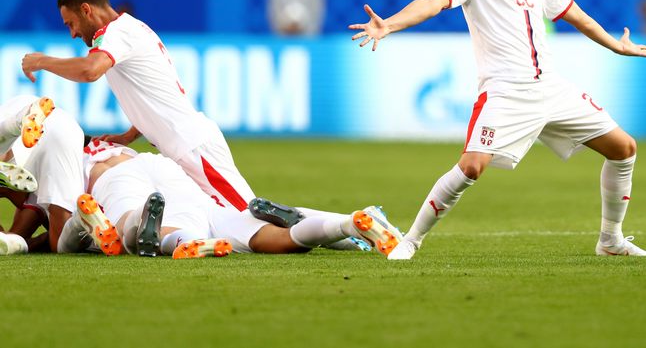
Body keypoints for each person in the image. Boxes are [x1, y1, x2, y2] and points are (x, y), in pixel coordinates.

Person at [350, 0, 646, 260]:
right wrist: (390, 26)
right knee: (471, 168)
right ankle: (411, 240)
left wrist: (615, 45)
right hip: (506, 93)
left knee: (624, 148)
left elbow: (576, 15)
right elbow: (433, 2)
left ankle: (610, 240)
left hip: (551, 88)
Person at [20, 0, 257, 211]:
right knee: (223, 223)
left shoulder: (117, 33)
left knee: (250, 217)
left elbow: (89, 71)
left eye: (70, 23)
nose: (72, 33)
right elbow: (150, 91)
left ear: (86, 10)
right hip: (183, 147)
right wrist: (128, 136)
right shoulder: (126, 30)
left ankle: (296, 228)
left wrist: (42, 60)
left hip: (193, 147)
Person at [57, 139, 403, 259]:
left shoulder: (73, 156)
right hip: (170, 173)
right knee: (274, 240)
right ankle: (348, 223)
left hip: (115, 176)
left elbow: (54, 214)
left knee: (127, 230)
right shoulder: (118, 147)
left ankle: (176, 239)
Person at [0, 96, 82, 254]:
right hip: (56, 125)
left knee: (60, 243)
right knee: (60, 242)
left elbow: (26, 205)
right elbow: (25, 204)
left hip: (33, 118)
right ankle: (19, 121)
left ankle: (20, 121)